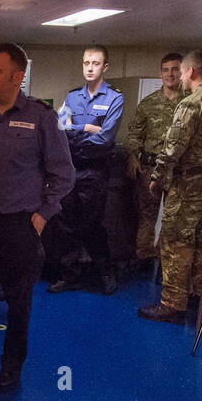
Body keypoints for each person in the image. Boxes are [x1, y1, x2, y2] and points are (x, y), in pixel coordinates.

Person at [0, 43, 75, 391]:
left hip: (20, 225)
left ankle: (11, 368)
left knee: (18, 305)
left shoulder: (41, 118)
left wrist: (43, 215)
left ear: (18, 76)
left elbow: (64, 175)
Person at [139, 49, 202, 324]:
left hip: (186, 182)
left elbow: (173, 147)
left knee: (175, 241)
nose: (180, 77)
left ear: (191, 72)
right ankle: (200, 294)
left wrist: (157, 178)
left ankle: (172, 303)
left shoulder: (192, 103)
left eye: (181, 72)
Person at [48, 46, 124, 294]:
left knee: (91, 224)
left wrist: (75, 129)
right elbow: (60, 131)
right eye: (86, 63)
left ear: (105, 67)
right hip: (72, 170)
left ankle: (105, 271)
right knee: (66, 223)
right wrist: (88, 128)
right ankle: (69, 275)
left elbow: (105, 139)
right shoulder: (72, 97)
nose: (90, 68)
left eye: (95, 63)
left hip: (95, 171)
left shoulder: (114, 98)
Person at [120, 52, 184, 271]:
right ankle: (144, 257)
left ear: (183, 72)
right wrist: (133, 156)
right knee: (146, 215)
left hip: (179, 171)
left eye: (175, 69)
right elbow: (134, 133)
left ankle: (164, 257)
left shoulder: (191, 102)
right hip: (151, 168)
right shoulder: (148, 103)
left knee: (173, 217)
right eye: (166, 70)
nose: (170, 74)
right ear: (160, 73)